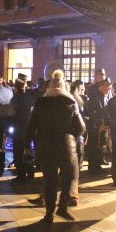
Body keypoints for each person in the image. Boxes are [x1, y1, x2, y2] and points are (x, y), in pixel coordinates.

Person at [26, 70, 86, 222]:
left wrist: (30, 143)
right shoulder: (70, 103)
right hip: (66, 147)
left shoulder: (40, 103)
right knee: (70, 177)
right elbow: (81, 127)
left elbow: (31, 126)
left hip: (45, 146)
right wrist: (72, 137)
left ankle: (49, 214)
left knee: (49, 180)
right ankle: (63, 208)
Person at [11, 73, 37, 181]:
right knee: (28, 150)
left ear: (16, 86)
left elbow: (12, 113)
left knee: (18, 152)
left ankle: (21, 174)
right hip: (30, 128)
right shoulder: (31, 97)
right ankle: (30, 172)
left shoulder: (16, 98)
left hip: (19, 128)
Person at [86, 77, 112, 175]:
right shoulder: (95, 97)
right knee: (94, 147)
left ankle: (97, 166)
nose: (109, 89)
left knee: (100, 147)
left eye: (110, 87)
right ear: (101, 87)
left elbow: (106, 112)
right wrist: (99, 123)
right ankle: (93, 168)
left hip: (103, 127)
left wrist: (107, 124)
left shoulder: (106, 97)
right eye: (107, 87)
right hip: (95, 127)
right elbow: (92, 112)